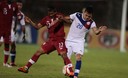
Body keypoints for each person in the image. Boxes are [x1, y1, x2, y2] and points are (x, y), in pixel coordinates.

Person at [18, 6, 74, 77]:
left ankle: (71, 72)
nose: (51, 13)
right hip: (51, 41)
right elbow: (37, 27)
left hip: (59, 39)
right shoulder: (46, 19)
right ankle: (26, 68)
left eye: (52, 12)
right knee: (38, 52)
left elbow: (69, 22)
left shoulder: (59, 16)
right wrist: (30, 22)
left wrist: (63, 19)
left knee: (64, 54)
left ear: (55, 11)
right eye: (49, 12)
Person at [63, 6, 107, 78]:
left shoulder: (91, 22)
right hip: (69, 40)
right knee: (66, 58)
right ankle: (70, 72)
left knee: (78, 57)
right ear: (83, 12)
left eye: (89, 16)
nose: (87, 17)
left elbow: (96, 32)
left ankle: (75, 76)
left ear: (91, 15)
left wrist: (99, 30)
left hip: (79, 41)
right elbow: (66, 18)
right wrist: (60, 19)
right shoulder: (77, 15)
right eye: (86, 15)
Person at [0, 0, 19, 67]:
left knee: (7, 44)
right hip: (1, 28)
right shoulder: (2, 3)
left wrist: (15, 26)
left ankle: (5, 63)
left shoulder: (14, 5)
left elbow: (16, 16)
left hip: (8, 29)